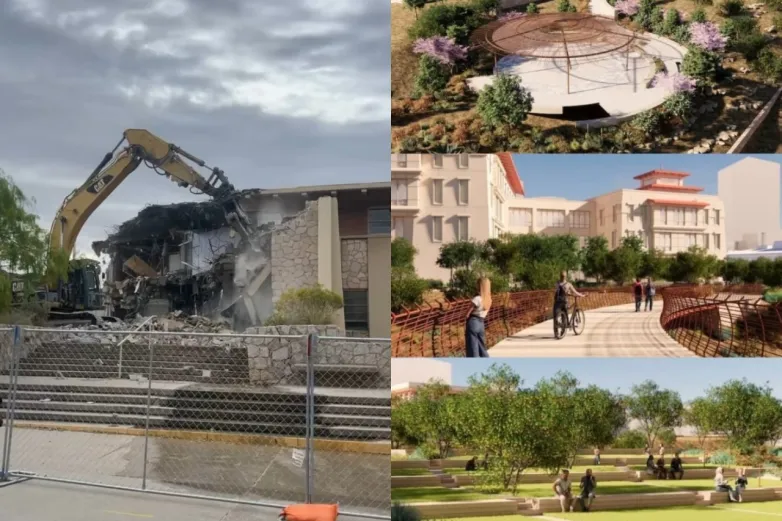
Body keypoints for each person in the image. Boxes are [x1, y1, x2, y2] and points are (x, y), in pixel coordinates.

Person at [466, 278, 490, 358]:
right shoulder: (489, 299)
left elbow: (467, 314)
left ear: (480, 286)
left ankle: (473, 362)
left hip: (473, 321)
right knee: (482, 346)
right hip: (481, 323)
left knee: (472, 346)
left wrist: (466, 317)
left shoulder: (477, 299)